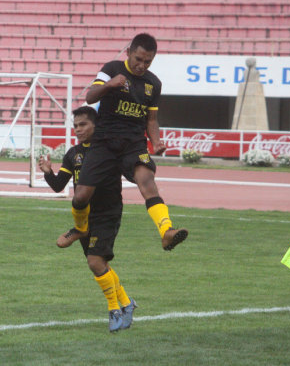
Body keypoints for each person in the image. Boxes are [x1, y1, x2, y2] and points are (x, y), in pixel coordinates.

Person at [56, 33, 188, 251]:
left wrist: (157, 141)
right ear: (128, 53)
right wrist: (109, 85)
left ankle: (166, 231)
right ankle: (81, 228)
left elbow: (151, 119)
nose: (141, 65)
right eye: (138, 59)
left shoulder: (153, 83)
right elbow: (90, 97)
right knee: (81, 197)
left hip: (133, 144)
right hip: (104, 143)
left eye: (148, 62)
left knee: (147, 182)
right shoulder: (112, 68)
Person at [39, 106, 137, 332]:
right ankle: (127, 303)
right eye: (75, 126)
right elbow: (58, 186)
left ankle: (114, 310)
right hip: (85, 216)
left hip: (107, 213)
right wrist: (47, 172)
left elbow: (130, 172)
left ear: (96, 125)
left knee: (95, 262)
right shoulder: (73, 153)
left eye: (83, 124)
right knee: (100, 264)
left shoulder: (109, 151)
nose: (78, 129)